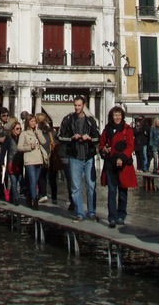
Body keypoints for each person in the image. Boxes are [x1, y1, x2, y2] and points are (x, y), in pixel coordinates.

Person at [58, 95, 100, 223]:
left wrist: (89, 138)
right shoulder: (67, 119)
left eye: (79, 105)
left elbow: (98, 138)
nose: (77, 108)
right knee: (75, 186)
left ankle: (91, 212)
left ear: (84, 106)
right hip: (74, 156)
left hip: (88, 156)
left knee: (91, 184)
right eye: (75, 105)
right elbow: (59, 137)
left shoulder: (91, 121)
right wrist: (72, 137)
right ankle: (79, 213)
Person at [99, 106, 137, 227]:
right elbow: (101, 145)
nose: (117, 117)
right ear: (111, 116)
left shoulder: (127, 129)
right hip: (110, 164)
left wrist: (122, 157)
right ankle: (112, 217)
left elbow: (130, 146)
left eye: (119, 115)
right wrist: (104, 150)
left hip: (123, 165)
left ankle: (121, 214)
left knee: (123, 191)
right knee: (111, 191)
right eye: (115, 115)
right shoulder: (107, 130)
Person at [18, 114, 48, 209]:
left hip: (38, 159)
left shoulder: (38, 132)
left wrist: (38, 132)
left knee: (35, 181)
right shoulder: (24, 133)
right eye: (31, 121)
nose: (33, 123)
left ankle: (29, 196)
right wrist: (29, 147)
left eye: (35, 121)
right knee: (32, 180)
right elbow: (19, 147)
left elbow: (43, 142)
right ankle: (34, 200)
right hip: (29, 159)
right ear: (28, 122)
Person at [0, 120, 23, 205]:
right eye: (17, 128)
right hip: (11, 162)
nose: (19, 130)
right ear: (13, 129)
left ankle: (13, 195)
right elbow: (3, 151)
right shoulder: (9, 139)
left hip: (20, 163)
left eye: (20, 129)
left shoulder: (21, 138)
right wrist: (2, 162)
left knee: (19, 180)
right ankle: (15, 199)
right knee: (13, 181)